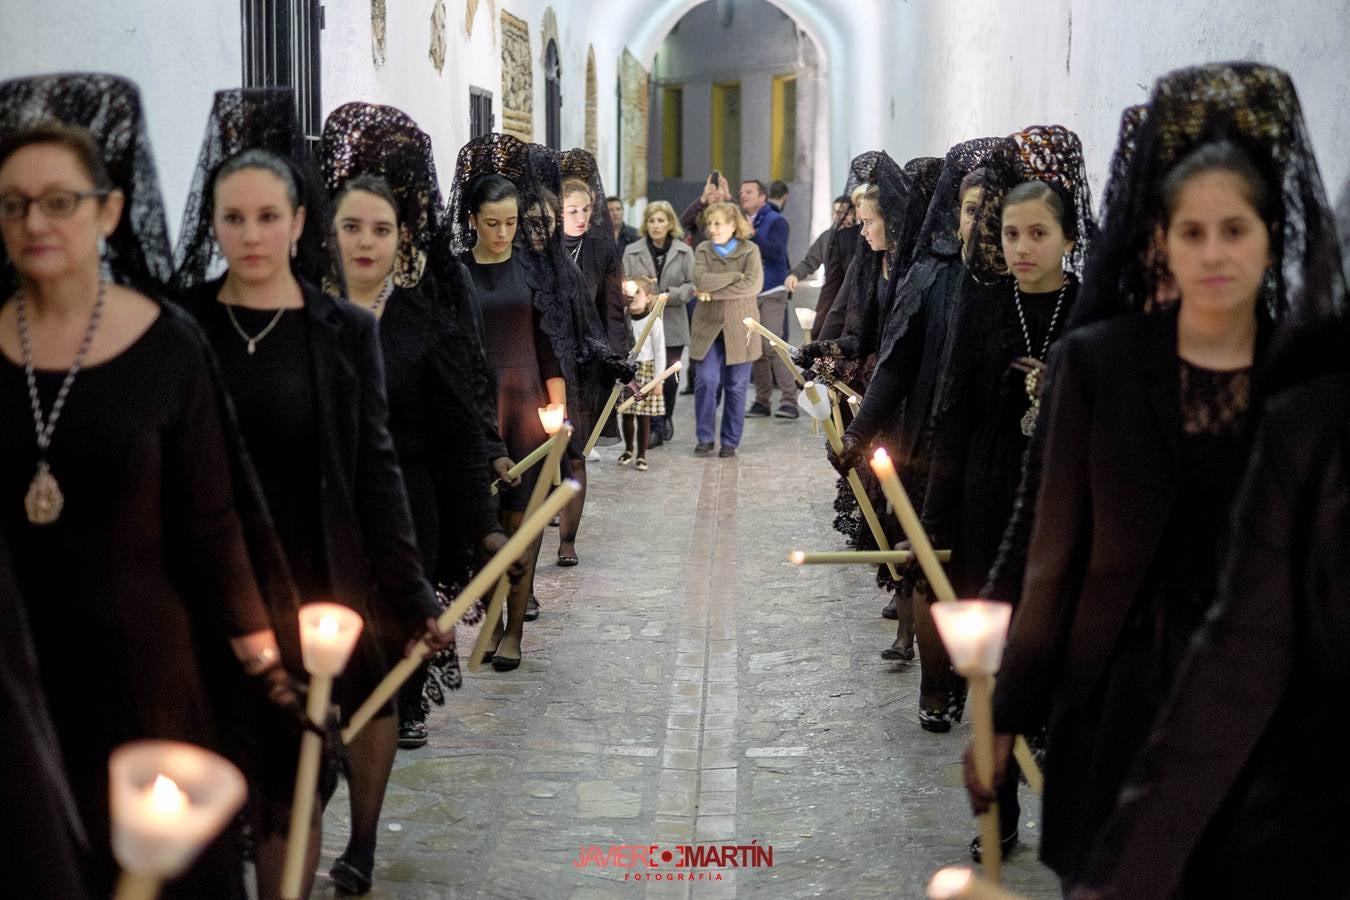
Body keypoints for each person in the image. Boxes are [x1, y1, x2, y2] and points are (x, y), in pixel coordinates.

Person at [971, 63, 1346, 896]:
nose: (1214, 253)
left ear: (1273, 234)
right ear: (1161, 238)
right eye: (1192, 232)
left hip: (1276, 719)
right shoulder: (1098, 367)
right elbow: (1050, 553)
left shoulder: (1313, 381)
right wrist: (1007, 707)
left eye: (1237, 230)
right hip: (1119, 698)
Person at [0, 75, 294, 899]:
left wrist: (261, 657)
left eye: (60, 201)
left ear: (110, 212)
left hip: (146, 671)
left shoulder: (169, 346)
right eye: (14, 204)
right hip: (18, 671)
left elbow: (211, 522)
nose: (35, 222)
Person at [172, 89, 453, 898]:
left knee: (292, 792)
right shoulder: (182, 327)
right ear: (215, 224)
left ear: (299, 223)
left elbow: (376, 474)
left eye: (269, 217)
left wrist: (408, 596)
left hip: (310, 588)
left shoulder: (341, 331)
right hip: (210, 592)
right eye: (234, 219)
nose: (251, 235)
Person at [834, 137, 1004, 728]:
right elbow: (899, 364)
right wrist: (859, 432)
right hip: (933, 444)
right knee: (933, 570)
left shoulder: (1019, 284)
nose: (978, 221)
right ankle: (935, 687)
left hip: (1001, 455)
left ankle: (986, 690)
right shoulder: (932, 277)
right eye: (969, 208)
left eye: (991, 208)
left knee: (986, 578)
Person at [690, 201, 763, 457]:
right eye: (709, 224)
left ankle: (730, 441)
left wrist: (711, 291)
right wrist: (734, 276)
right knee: (706, 381)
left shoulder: (750, 250)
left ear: (733, 225)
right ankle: (705, 437)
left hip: (741, 327)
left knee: (736, 386)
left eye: (718, 223)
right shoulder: (702, 249)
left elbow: (752, 286)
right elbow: (700, 280)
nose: (712, 229)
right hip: (707, 326)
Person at [622, 199, 695, 443]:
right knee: (647, 373)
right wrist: (640, 296)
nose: (656, 225)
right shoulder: (632, 251)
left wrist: (667, 296)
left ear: (670, 223)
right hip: (642, 323)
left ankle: (665, 417)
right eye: (651, 220)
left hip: (673, 321)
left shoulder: (684, 251)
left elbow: (691, 285)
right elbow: (625, 284)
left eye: (661, 220)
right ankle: (652, 426)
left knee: (670, 377)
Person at [741, 178, 795, 417]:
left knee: (773, 344)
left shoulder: (777, 221)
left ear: (763, 197)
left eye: (749, 192)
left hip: (773, 290)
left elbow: (777, 253)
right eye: (741, 192)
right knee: (755, 347)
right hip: (750, 292)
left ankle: (789, 400)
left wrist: (753, 235)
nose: (743, 196)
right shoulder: (741, 221)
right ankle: (762, 401)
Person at [618, 276, 666, 470]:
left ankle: (641, 454)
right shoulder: (622, 319)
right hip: (627, 371)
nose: (634, 296)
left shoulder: (654, 322)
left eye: (638, 292)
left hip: (646, 369)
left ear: (648, 298)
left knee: (643, 416)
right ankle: (628, 448)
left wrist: (658, 380)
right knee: (627, 414)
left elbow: (660, 350)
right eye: (630, 292)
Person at [681, 170, 732, 248]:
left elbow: (742, 221)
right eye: (712, 192)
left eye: (720, 191)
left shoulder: (732, 214)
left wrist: (728, 197)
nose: (717, 196)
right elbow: (683, 223)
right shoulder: (698, 214)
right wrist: (702, 200)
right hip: (701, 257)